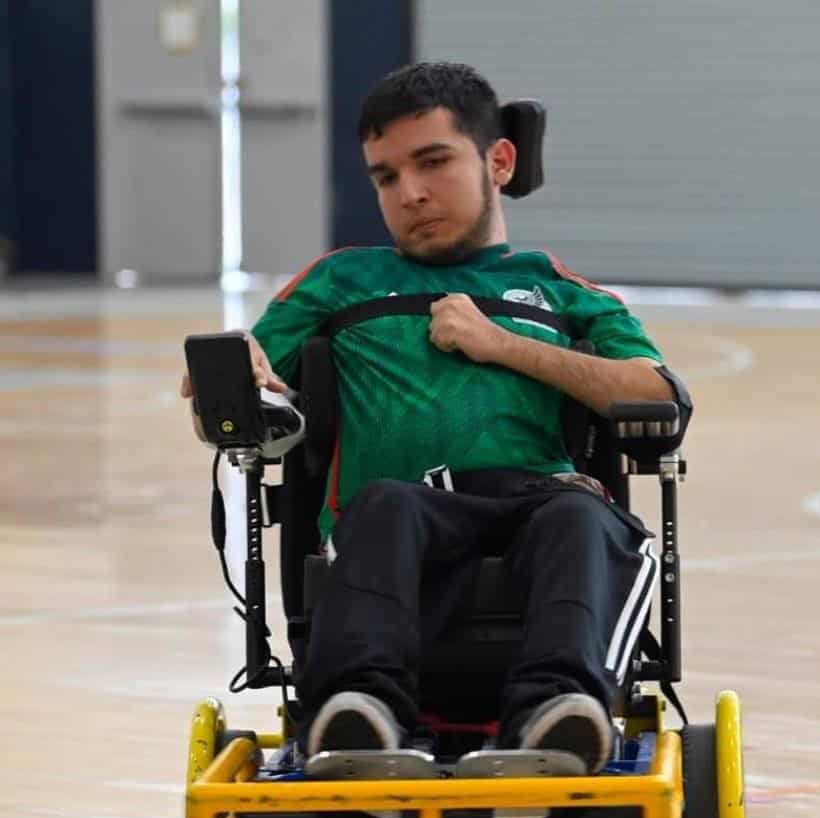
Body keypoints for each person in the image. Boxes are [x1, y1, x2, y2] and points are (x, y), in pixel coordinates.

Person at [179, 62, 684, 774]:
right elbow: (240, 388)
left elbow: (661, 394)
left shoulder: (559, 290)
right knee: (384, 506)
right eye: (385, 176)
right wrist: (238, 375)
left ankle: (557, 720)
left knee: (583, 517)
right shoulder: (340, 281)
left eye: (434, 162)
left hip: (538, 506)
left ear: (498, 161)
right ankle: (359, 718)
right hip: (402, 515)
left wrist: (501, 344)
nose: (409, 193)